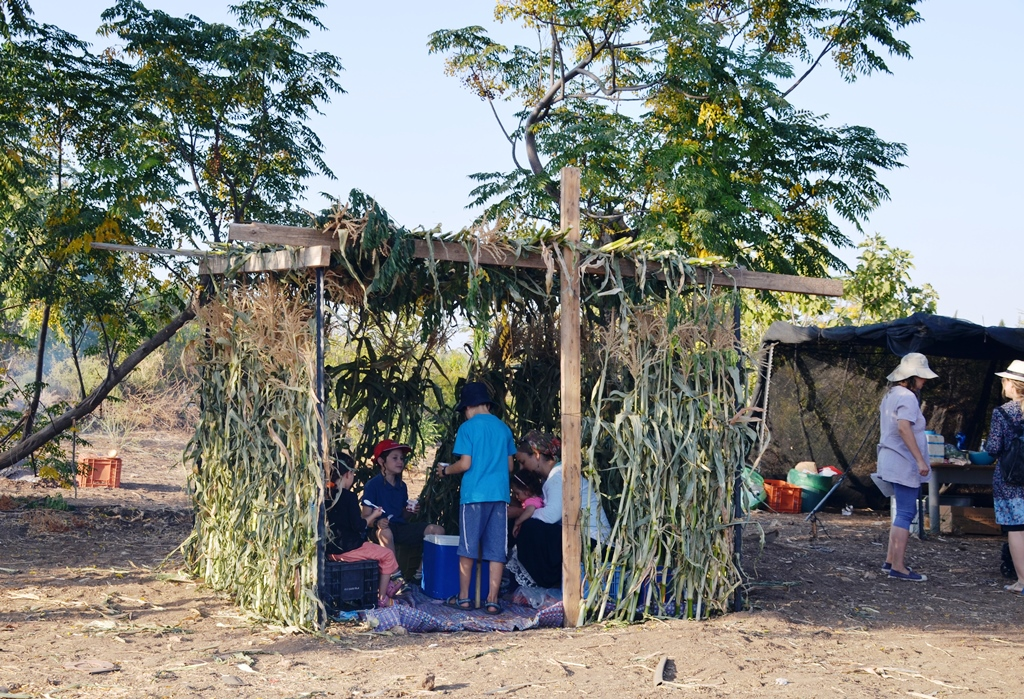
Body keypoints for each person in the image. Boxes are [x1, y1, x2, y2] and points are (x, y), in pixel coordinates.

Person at [434, 381, 516, 614]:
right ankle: (492, 600)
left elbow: (465, 463)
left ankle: (464, 598)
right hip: (499, 495)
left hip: (473, 496)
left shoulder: (467, 428)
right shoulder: (503, 429)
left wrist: (446, 470)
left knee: (468, 547)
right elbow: (510, 466)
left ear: (468, 408)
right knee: (497, 550)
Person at [511, 430, 611, 589]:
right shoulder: (555, 477)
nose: (522, 467)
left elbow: (551, 515)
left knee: (530, 528)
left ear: (536, 455)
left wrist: (522, 517)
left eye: (522, 461)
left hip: (593, 544)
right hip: (589, 541)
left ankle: (547, 583)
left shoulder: (558, 476)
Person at [874, 352, 937, 582]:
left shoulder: (891, 394)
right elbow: (903, 428)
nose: (924, 381)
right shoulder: (908, 397)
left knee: (901, 512)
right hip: (903, 461)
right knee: (906, 512)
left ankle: (891, 560)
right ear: (911, 377)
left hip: (891, 458)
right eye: (921, 377)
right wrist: (920, 460)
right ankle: (898, 567)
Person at [325, 453, 405, 607]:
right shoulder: (348, 497)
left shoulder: (324, 495)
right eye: (353, 473)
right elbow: (359, 526)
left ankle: (386, 587)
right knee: (387, 555)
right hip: (348, 548)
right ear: (348, 474)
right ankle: (381, 597)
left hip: (331, 549)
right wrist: (374, 515)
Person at [362, 439, 444, 562]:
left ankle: (421, 573)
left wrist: (410, 511)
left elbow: (401, 516)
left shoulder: (402, 486)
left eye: (402, 458)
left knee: (438, 530)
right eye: (395, 458)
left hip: (400, 528)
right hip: (380, 530)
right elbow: (365, 518)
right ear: (381, 461)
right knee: (385, 533)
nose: (400, 462)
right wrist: (377, 523)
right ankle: (395, 574)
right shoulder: (372, 485)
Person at [985, 360, 1024, 593]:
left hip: (1010, 480)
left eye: (1005, 380)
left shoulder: (1002, 413)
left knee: (1016, 528)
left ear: (1012, 384)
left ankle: (1022, 580)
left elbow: (992, 448)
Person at [510, 470, 544, 537]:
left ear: (527, 490)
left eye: (517, 493)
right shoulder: (536, 499)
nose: (516, 496)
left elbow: (529, 511)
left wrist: (517, 522)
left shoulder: (531, 501)